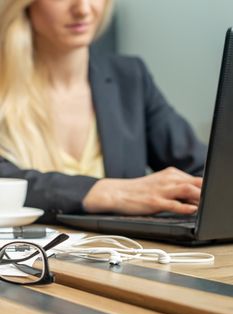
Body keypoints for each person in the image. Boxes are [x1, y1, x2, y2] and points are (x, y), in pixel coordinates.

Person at [0, 0, 206, 223]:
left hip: (126, 254)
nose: (83, 9)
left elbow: (203, 168)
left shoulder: (130, 77)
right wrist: (106, 192)